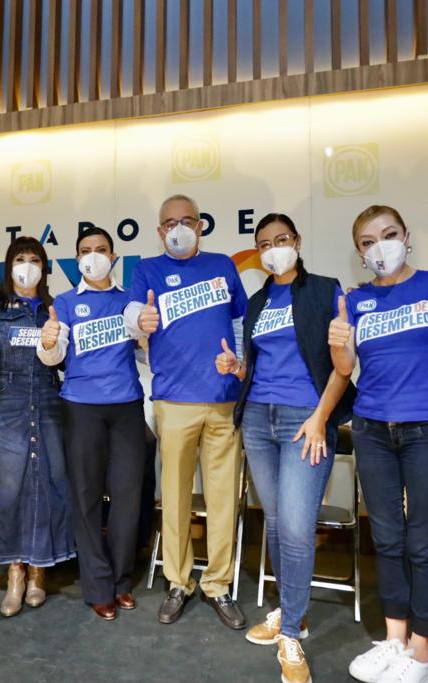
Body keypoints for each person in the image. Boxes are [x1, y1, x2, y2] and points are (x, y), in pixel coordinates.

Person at [216, 212, 353, 683]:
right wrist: (237, 368)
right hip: (258, 418)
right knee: (275, 521)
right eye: (265, 243)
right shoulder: (258, 301)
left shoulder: (325, 290)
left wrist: (321, 418)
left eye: (282, 239)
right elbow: (259, 364)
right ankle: (291, 610)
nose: (274, 249)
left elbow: (342, 366)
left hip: (305, 421)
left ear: (297, 241)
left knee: (295, 527)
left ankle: (291, 632)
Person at [327, 206, 428, 683]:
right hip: (372, 430)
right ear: (359, 252)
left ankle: (421, 655)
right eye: (367, 242)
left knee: (423, 540)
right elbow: (345, 369)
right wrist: (338, 340)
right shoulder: (355, 300)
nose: (379, 246)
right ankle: (394, 638)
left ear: (406, 237)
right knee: (386, 538)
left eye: (388, 234)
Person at [123, 193, 249, 630]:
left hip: (223, 399)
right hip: (173, 401)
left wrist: (240, 362)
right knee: (174, 498)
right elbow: (133, 313)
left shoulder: (223, 266)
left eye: (186, 220)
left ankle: (218, 583)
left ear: (200, 225)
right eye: (169, 223)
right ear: (160, 231)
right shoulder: (147, 270)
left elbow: (240, 322)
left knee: (222, 498)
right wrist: (141, 321)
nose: (178, 229)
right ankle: (178, 582)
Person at [37, 226, 148, 620]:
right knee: (85, 497)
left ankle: (121, 581)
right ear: (77, 259)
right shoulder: (66, 302)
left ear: (114, 257)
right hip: (81, 407)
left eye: (101, 249)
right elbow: (54, 357)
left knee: (127, 497)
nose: (94, 256)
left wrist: (148, 332)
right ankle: (98, 586)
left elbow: (144, 347)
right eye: (86, 250)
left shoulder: (129, 300)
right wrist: (48, 342)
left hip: (126, 407)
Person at [0, 236, 75, 616]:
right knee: (8, 487)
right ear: (9, 265)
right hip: (7, 402)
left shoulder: (55, 307)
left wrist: (53, 340)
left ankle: (39, 571)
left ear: (44, 268)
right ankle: (15, 572)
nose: (26, 266)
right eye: (20, 259)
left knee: (47, 484)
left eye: (34, 259)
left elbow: (63, 361)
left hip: (47, 399)